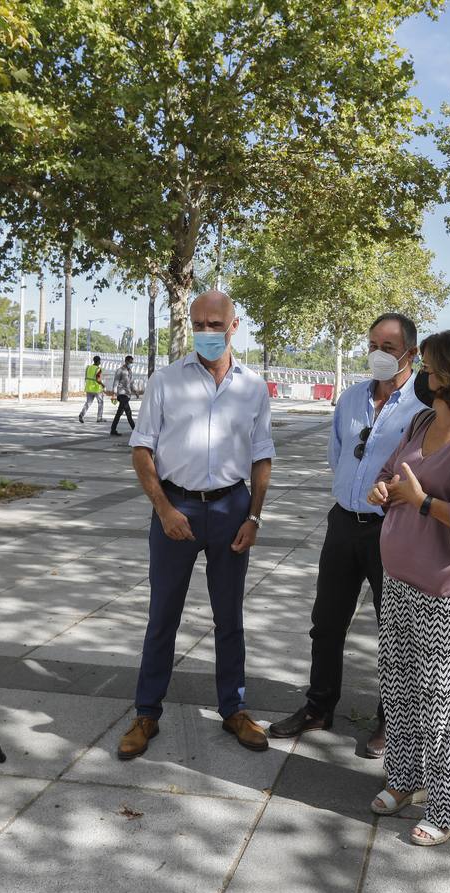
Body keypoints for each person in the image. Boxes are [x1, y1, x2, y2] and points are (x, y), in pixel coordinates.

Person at [117, 291, 275, 758]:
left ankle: (235, 709)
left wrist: (254, 516)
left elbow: (262, 456)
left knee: (230, 618)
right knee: (162, 615)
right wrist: (164, 510)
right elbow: (141, 450)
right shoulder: (165, 381)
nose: (207, 331)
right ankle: (147, 712)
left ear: (234, 325)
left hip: (231, 511)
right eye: (199, 323)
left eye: (215, 323)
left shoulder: (254, 387)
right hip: (176, 510)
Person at [366, 330, 450, 847]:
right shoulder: (422, 420)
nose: (423, 377)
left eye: (429, 370)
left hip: (448, 592)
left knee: (448, 698)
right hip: (400, 579)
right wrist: (385, 488)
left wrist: (423, 502)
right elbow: (391, 472)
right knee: (399, 686)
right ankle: (404, 779)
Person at [270, 313, 426, 757]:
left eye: (389, 347)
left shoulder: (424, 408)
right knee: (327, 621)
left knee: (394, 630)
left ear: (411, 354)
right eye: (373, 344)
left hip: (392, 530)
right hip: (343, 522)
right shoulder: (352, 396)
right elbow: (338, 454)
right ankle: (318, 706)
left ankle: (389, 722)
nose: (378, 354)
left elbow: (425, 473)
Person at [110, 355, 140, 436]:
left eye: (132, 362)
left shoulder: (130, 371)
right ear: (126, 361)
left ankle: (113, 430)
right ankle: (135, 430)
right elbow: (115, 382)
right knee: (128, 412)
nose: (131, 364)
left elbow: (130, 383)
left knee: (119, 413)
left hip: (127, 394)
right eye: (130, 362)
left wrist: (135, 391)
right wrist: (114, 394)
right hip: (121, 393)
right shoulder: (120, 370)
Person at [79, 355, 106, 423]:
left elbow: (86, 377)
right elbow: (98, 379)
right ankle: (99, 418)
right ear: (98, 361)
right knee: (100, 403)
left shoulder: (88, 367)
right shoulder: (98, 369)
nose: (100, 362)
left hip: (88, 388)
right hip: (96, 389)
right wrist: (103, 385)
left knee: (88, 403)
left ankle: (82, 414)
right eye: (99, 361)